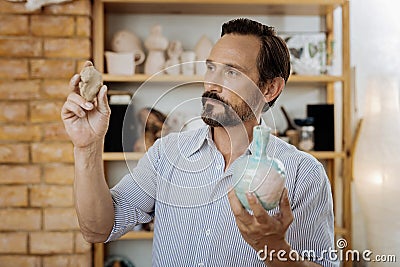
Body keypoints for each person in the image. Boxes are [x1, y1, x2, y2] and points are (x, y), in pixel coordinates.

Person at [61, 18, 338, 267]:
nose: (211, 85)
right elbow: (97, 230)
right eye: (210, 68)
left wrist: (274, 248)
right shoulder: (167, 153)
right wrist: (87, 147)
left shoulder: (303, 174)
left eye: (231, 73)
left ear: (269, 89)